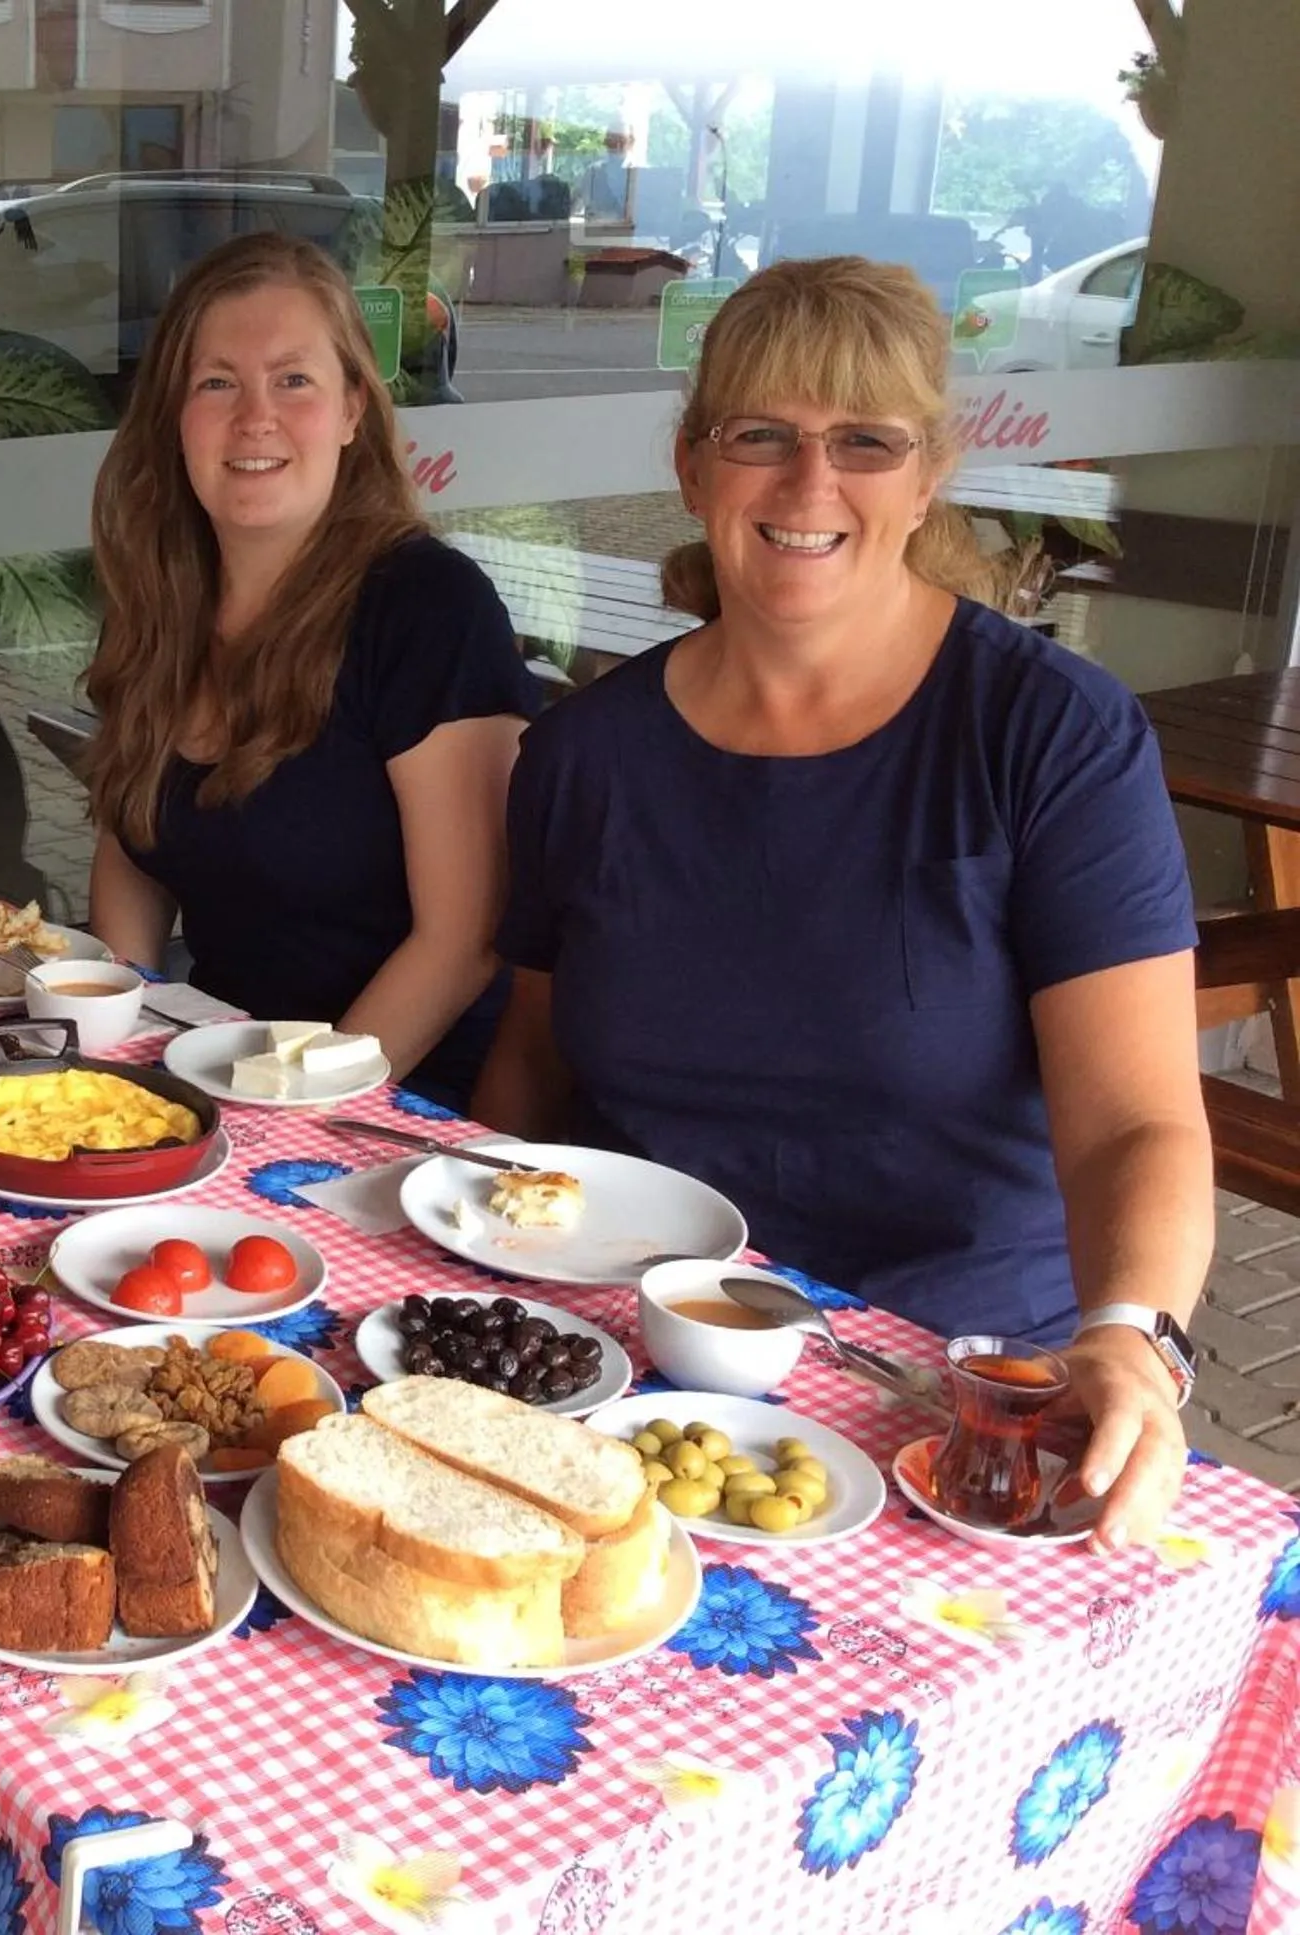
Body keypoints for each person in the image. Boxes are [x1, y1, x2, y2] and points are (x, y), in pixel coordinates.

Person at [470, 256, 1207, 1550]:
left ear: (926, 476)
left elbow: (1138, 1121)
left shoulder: (1047, 732)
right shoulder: (587, 751)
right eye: (764, 435)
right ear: (696, 467)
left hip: (944, 1389)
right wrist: (468, 1272)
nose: (811, 484)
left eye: (864, 441)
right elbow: (531, 1063)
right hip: (627, 1363)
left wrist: (1134, 1338)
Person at [85, 232, 539, 1106]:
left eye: (294, 380)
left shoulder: (429, 608)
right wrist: (114, 1035)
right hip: (210, 1079)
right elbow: (133, 845)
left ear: (352, 413)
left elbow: (463, 938)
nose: (256, 417)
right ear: (174, 417)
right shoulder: (166, 596)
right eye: (217, 382)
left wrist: (286, 1107)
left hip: (392, 1106)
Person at [580, 130, 633, 222]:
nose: (617, 147)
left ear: (631, 143)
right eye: (611, 143)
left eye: (622, 141)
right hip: (597, 232)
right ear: (605, 143)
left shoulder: (642, 176)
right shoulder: (592, 172)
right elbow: (576, 206)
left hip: (630, 234)